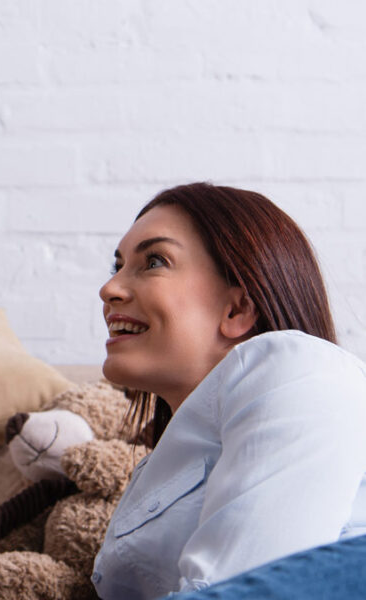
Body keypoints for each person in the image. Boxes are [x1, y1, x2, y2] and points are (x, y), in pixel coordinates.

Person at [91, 182, 366, 599]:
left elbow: (247, 590)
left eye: (154, 261)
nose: (108, 290)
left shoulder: (297, 366)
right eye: (118, 266)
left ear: (237, 309)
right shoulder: (159, 469)